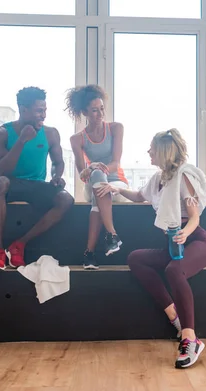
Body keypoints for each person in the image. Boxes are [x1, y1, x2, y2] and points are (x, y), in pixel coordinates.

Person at [97, 129, 206, 369]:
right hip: (172, 244)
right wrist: (117, 190)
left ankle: (190, 339)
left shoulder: (183, 176)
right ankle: (176, 318)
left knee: (174, 270)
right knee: (136, 259)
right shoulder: (159, 178)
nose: (148, 152)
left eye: (152, 148)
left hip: (196, 242)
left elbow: (194, 218)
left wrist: (185, 233)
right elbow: (139, 196)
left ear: (163, 151)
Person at [0, 87, 74, 271]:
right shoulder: (1, 133)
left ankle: (19, 245)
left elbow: (58, 163)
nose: (43, 115)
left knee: (66, 199)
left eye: (44, 110)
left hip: (37, 185)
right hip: (12, 183)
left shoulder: (51, 134)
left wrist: (57, 177)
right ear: (23, 109)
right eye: (39, 111)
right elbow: (1, 170)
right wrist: (21, 141)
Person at [66, 85, 129, 269]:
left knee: (98, 194)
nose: (100, 114)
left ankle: (89, 254)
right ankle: (111, 233)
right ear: (85, 112)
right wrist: (92, 167)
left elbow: (116, 164)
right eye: (94, 110)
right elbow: (83, 175)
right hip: (92, 182)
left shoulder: (116, 128)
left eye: (102, 108)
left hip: (116, 180)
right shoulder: (77, 139)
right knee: (96, 175)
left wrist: (99, 169)